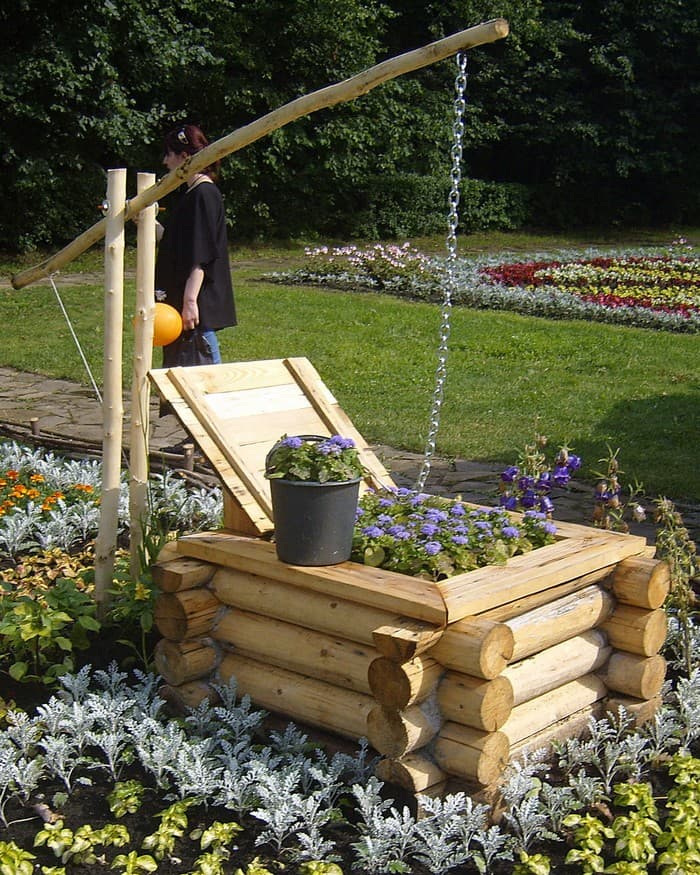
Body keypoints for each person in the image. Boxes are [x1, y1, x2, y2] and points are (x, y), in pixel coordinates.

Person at [154, 123, 236, 367]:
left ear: (185, 157)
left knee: (201, 389)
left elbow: (200, 256)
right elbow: (180, 245)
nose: (165, 161)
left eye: (169, 154)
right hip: (179, 309)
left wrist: (190, 302)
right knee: (177, 385)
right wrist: (149, 224)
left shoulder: (204, 195)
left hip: (193, 313)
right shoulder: (190, 195)